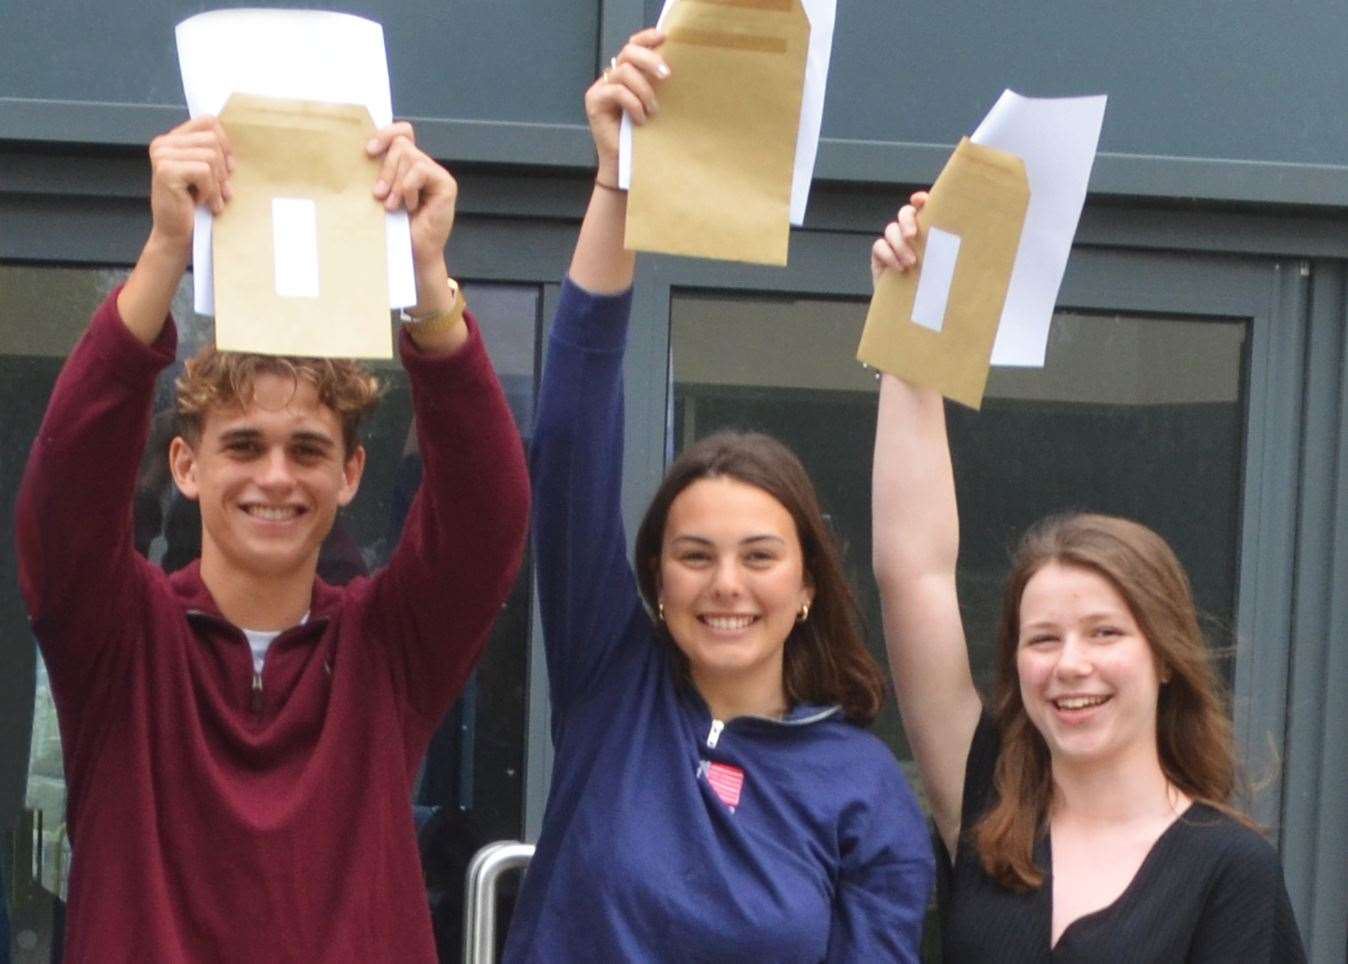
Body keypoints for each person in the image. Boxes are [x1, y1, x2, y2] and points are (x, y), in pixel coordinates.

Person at [15, 113, 530, 960]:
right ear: (186, 465)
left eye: (308, 450)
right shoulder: (121, 639)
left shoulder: (385, 650)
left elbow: (488, 519)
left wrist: (426, 279)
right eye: (243, 446)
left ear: (352, 474)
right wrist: (164, 251)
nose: (276, 477)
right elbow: (61, 499)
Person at [502, 30, 933, 962]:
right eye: (694, 555)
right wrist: (616, 181)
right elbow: (571, 439)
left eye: (760, 555)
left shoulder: (863, 788)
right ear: (656, 578)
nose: (726, 584)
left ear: (809, 582)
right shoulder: (613, 684)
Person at [870, 197, 1307, 961]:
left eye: (1105, 632)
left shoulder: (1228, 870)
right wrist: (914, 325)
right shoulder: (986, 804)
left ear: (1165, 656)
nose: (1071, 664)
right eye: (1043, 639)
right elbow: (914, 570)